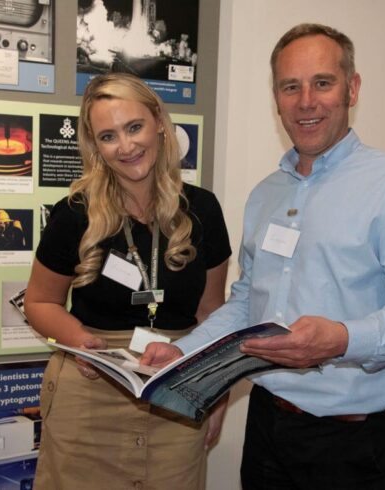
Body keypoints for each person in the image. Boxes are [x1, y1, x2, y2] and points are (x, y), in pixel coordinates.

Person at [143, 23, 385, 489]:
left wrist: (342, 339)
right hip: (268, 425)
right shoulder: (267, 194)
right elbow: (247, 301)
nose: (306, 101)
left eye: (322, 83)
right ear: (277, 98)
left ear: (353, 88)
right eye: (291, 86)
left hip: (355, 438)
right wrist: (182, 352)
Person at [24, 73, 232, 489]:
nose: (126, 146)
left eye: (134, 127)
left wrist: (218, 393)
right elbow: (39, 303)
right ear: (95, 147)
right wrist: (79, 341)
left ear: (158, 121)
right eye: (108, 136)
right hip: (90, 386)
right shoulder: (74, 214)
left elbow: (212, 313)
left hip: (177, 385)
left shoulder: (203, 209)